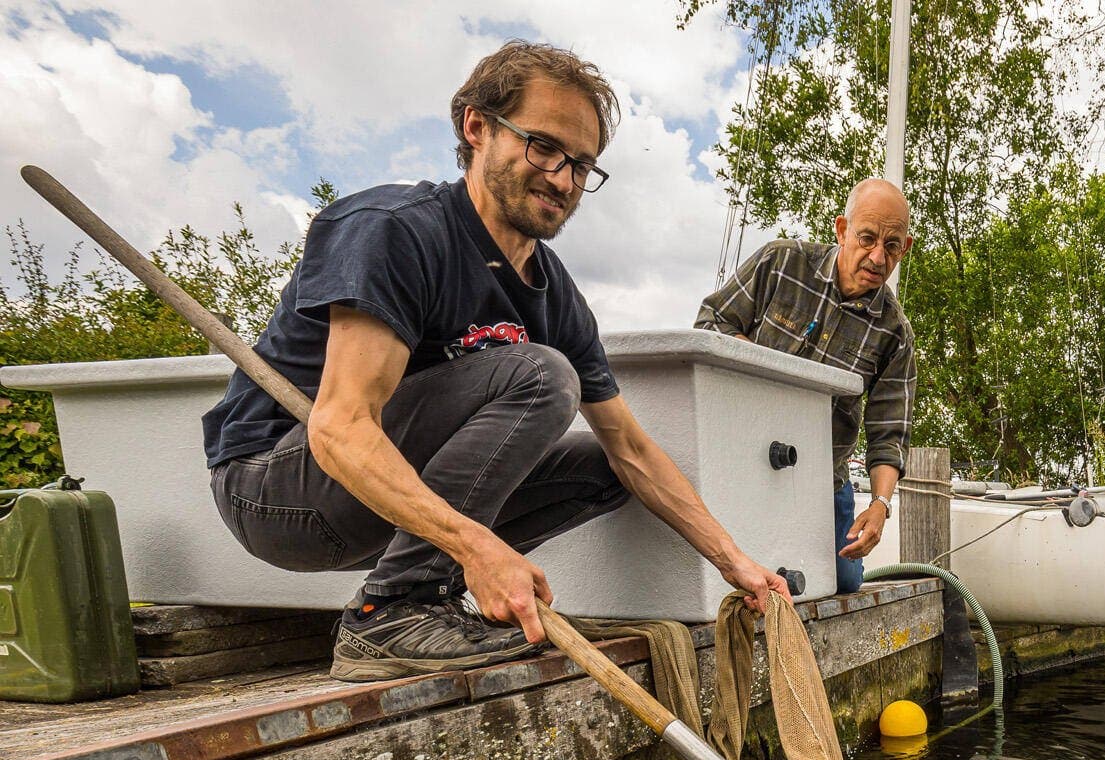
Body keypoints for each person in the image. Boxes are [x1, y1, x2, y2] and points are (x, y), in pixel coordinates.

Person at [202, 40, 789, 682]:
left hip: (377, 509)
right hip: (278, 489)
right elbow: (341, 429)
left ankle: (423, 592)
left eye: (581, 164)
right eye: (542, 147)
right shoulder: (393, 229)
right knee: (542, 375)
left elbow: (632, 449)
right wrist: (476, 546)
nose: (562, 179)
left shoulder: (552, 291)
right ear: (477, 127)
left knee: (606, 471)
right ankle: (391, 610)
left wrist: (732, 560)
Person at [695, 179, 915, 593]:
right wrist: (765, 365)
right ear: (842, 230)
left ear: (904, 249)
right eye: (867, 238)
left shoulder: (895, 332)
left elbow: (889, 433)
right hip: (741, 458)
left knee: (843, 581)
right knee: (719, 574)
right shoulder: (781, 262)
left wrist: (880, 505)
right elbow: (711, 322)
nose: (877, 256)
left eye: (891, 245)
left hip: (822, 478)